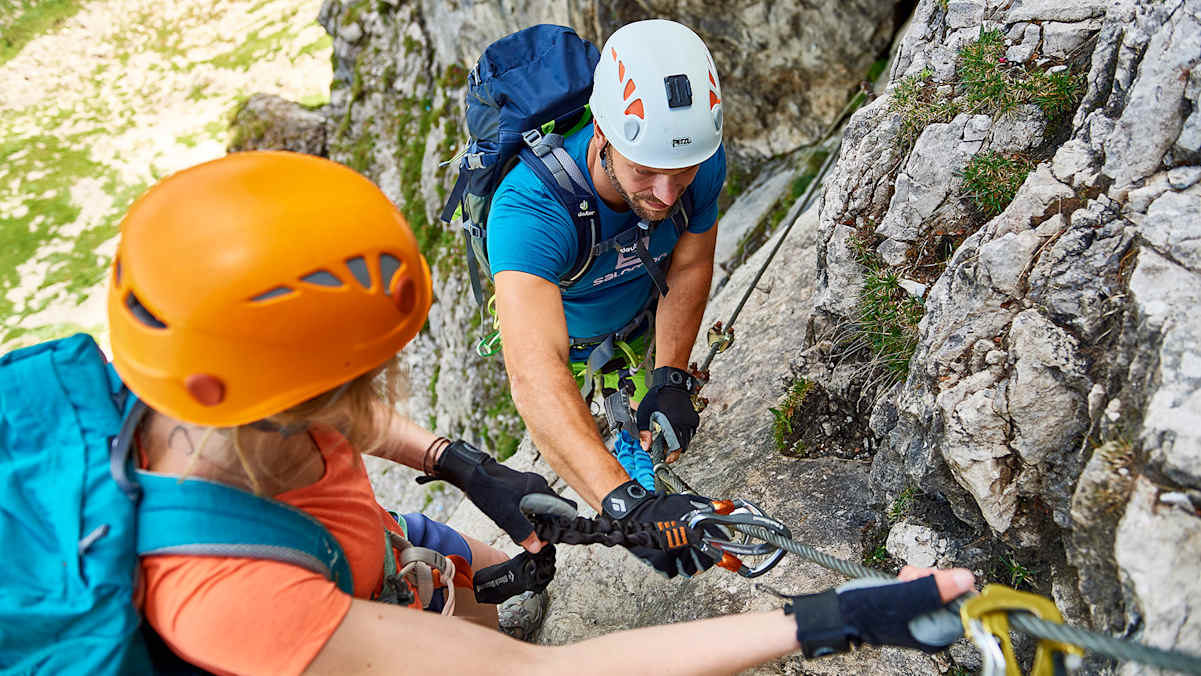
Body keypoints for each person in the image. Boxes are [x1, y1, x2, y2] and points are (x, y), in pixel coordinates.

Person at [113, 150, 973, 675]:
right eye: (363, 378)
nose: (382, 392)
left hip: (367, 549)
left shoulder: (187, 382)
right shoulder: (231, 597)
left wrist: (457, 461)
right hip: (319, 627)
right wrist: (832, 620)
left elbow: (337, 421)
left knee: (491, 573)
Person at [486, 20, 728, 575]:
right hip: (566, 345)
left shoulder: (699, 159)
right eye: (645, 173)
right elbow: (533, 371)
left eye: (681, 174)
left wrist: (669, 376)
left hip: (642, 318)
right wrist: (623, 504)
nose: (667, 195)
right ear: (602, 133)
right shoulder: (529, 209)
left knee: (656, 434)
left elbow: (689, 264)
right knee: (590, 443)